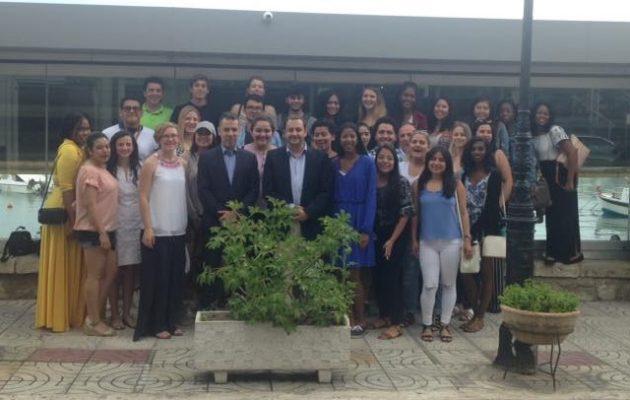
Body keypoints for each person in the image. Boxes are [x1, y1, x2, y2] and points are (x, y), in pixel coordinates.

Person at [36, 112, 91, 333]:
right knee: (63, 267)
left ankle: (69, 313)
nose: (85, 132)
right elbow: (68, 190)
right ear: (70, 130)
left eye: (87, 128)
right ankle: (60, 316)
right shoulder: (69, 151)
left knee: (71, 267)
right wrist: (74, 221)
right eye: (80, 128)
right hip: (64, 213)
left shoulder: (77, 149)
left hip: (70, 211)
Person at [411, 146, 472, 343]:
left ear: (447, 163)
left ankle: (445, 324)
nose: (436, 163)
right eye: (433, 159)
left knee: (448, 283)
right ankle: (427, 324)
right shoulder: (419, 184)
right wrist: (414, 239)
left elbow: (464, 212)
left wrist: (467, 239)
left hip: (452, 241)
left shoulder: (455, 184)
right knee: (429, 284)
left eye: (441, 160)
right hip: (427, 241)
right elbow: (415, 214)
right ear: (428, 161)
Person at [198, 113, 259, 308]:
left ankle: (239, 304)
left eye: (234, 129)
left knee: (239, 266)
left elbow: (253, 190)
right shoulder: (206, 158)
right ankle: (209, 305)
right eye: (226, 129)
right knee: (212, 265)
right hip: (214, 222)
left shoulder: (249, 158)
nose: (230, 133)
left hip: (241, 224)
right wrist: (222, 214)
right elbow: (203, 190)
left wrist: (236, 214)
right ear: (219, 131)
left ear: (239, 131)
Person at [135, 123, 188, 341]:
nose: (170, 139)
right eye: (166, 136)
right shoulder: (151, 163)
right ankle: (156, 324)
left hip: (178, 229)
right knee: (158, 280)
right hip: (157, 230)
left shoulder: (183, 163)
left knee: (175, 279)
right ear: (158, 139)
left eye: (174, 136)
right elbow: (143, 196)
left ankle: (171, 321)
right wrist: (148, 227)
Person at [332, 122, 376, 337]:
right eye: (344, 136)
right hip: (336, 222)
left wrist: (365, 229)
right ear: (338, 139)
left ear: (358, 139)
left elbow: (371, 196)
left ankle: (360, 318)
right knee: (338, 272)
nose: (348, 140)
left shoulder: (367, 163)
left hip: (358, 221)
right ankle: (345, 316)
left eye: (352, 136)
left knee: (354, 273)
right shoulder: (333, 163)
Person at [74, 132, 119, 337]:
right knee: (94, 276)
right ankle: (93, 321)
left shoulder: (102, 169)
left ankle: (94, 315)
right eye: (99, 147)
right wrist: (102, 233)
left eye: (107, 147)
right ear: (90, 150)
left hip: (109, 229)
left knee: (110, 273)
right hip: (94, 231)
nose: (105, 151)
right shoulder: (90, 171)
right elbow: (90, 205)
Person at [459, 137, 504, 333]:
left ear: (487, 152)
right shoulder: (464, 175)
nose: (477, 152)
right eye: (473, 149)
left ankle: (480, 317)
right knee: (467, 272)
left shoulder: (494, 175)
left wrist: (478, 228)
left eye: (481, 149)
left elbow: (493, 205)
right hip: (467, 229)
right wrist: (468, 231)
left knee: (487, 274)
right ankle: (475, 310)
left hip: (489, 229)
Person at [263, 116, 333, 240]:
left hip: (312, 224)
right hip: (282, 224)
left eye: (298, 130)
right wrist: (289, 209)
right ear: (284, 133)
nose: (294, 133)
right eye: (290, 130)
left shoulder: (320, 158)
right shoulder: (273, 157)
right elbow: (268, 191)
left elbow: (325, 192)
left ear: (305, 132)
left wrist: (308, 212)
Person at [532, 102, 582, 265]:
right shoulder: (534, 133)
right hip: (547, 177)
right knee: (552, 215)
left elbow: (572, 152)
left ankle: (569, 254)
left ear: (550, 116)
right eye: (539, 113)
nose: (542, 116)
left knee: (565, 215)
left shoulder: (555, 130)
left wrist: (570, 180)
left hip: (559, 175)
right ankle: (552, 252)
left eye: (545, 113)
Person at [373, 144, 414, 340]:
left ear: (395, 161)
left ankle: (396, 323)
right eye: (381, 157)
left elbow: (406, 213)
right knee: (379, 277)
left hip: (396, 236)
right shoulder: (372, 180)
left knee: (393, 278)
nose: (385, 161)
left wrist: (391, 240)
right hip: (376, 235)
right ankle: (384, 315)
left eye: (389, 158)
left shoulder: (401, 182)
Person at [106, 131, 142, 330]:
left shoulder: (140, 168)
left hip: (135, 224)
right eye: (121, 144)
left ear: (133, 147)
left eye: (128, 144)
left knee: (130, 271)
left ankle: (127, 314)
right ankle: (114, 315)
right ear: (114, 147)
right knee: (113, 271)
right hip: (114, 223)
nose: (125, 148)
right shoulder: (108, 169)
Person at [397, 130, 430, 326]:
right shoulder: (400, 167)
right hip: (402, 225)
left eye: (422, 142)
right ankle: (409, 310)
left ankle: (429, 310)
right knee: (408, 270)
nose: (417, 145)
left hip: (428, 225)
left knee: (428, 271)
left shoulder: (433, 169)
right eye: (414, 142)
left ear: (428, 147)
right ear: (408, 146)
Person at [185, 121, 217, 296]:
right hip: (191, 215)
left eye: (207, 134)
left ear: (214, 137)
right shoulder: (186, 156)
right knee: (191, 256)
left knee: (209, 256)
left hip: (212, 215)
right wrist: (193, 213)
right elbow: (184, 188)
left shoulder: (217, 157)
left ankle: (208, 294)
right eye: (200, 134)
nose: (203, 137)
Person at [103, 97, 157, 161]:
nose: (131, 111)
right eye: (127, 108)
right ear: (120, 112)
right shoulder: (107, 134)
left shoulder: (152, 135)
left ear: (142, 113)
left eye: (135, 108)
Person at [472, 120, 513, 200]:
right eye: (482, 131)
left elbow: (508, 181)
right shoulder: (469, 153)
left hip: (492, 201)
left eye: (489, 132)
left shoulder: (498, 154)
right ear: (475, 133)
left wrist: (501, 202)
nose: (486, 134)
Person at [243, 115, 277, 203]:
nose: (262, 134)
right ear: (251, 132)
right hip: (246, 204)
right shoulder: (242, 152)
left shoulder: (279, 154)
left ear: (273, 132)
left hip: (273, 205)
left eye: (267, 131)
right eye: (258, 130)